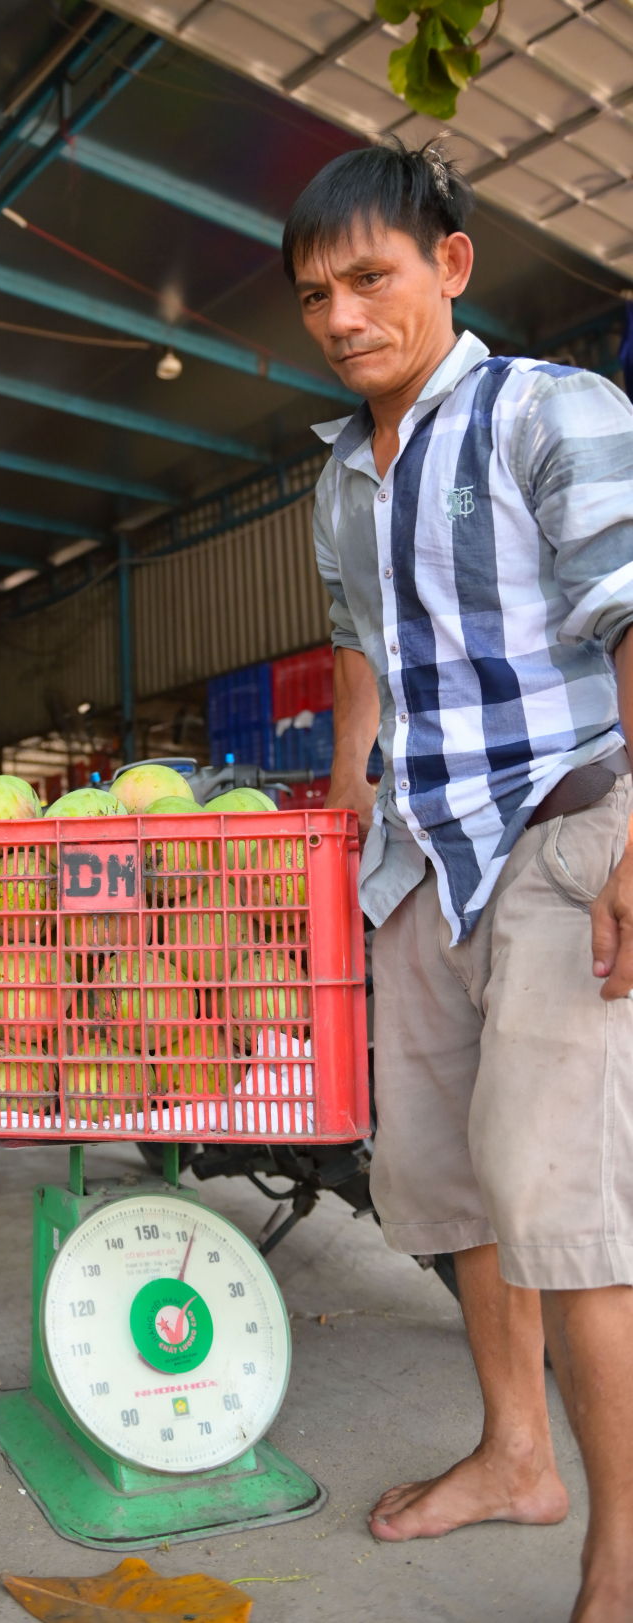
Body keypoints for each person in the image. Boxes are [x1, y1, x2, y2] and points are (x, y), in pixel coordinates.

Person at [284, 140, 633, 1622]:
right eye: (316, 295)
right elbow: (364, 661)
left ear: (451, 264)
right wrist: (352, 834)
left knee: (570, 1207)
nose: (346, 315)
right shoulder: (339, 484)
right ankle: (513, 1454)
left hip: (567, 836)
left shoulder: (554, 411)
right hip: (420, 861)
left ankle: (618, 1557)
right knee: (453, 1191)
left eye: (372, 277)